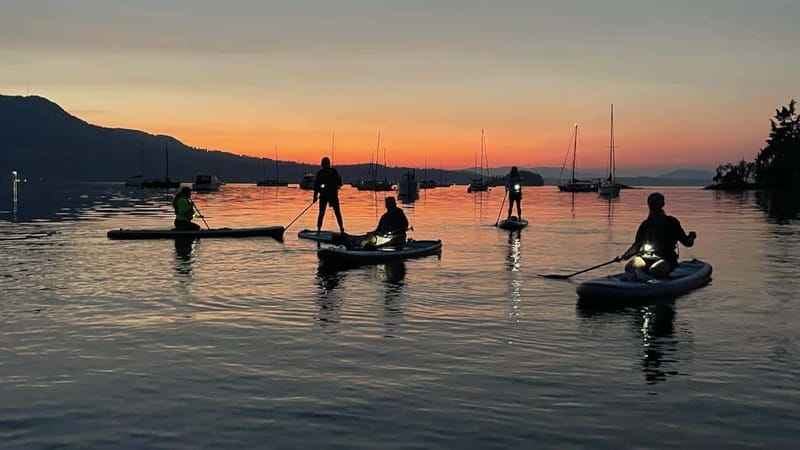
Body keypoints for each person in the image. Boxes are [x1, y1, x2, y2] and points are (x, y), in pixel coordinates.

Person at [618, 192, 697, 278]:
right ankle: (641, 276)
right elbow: (637, 245)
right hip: (645, 258)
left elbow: (687, 243)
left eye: (656, 202)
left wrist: (691, 237)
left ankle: (652, 276)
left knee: (655, 270)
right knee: (630, 267)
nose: (654, 204)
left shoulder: (671, 222)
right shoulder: (646, 224)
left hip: (667, 259)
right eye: (652, 202)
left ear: (662, 204)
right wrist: (625, 256)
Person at [313, 156, 345, 233]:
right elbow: (316, 186)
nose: (325, 165)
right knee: (321, 213)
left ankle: (341, 229)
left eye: (326, 164)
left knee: (337, 212)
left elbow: (340, 182)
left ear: (329, 164)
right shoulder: (319, 174)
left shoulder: (333, 172)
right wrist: (314, 197)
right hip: (323, 196)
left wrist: (337, 186)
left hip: (333, 196)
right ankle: (319, 229)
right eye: (323, 164)